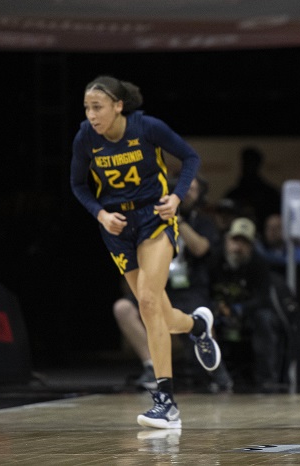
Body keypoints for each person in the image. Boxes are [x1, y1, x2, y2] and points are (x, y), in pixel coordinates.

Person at [70, 76, 220, 429]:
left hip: (155, 216)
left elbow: (190, 156)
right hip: (118, 227)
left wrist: (177, 197)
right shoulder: (85, 137)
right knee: (160, 313)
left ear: (118, 106)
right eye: (87, 108)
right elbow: (78, 184)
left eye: (98, 107)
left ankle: (166, 401)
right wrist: (100, 213)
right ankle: (197, 325)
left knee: (149, 302)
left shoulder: (146, 127)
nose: (91, 115)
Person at [112, 177, 230, 391]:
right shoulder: (150, 215)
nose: (189, 194)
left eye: (194, 189)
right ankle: (151, 366)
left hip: (189, 287)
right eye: (186, 189)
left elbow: (201, 248)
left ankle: (217, 372)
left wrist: (177, 220)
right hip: (156, 283)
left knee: (199, 312)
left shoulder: (202, 220)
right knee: (123, 308)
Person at [211, 217, 287, 393]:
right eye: (235, 240)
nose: (238, 247)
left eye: (244, 242)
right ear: (227, 240)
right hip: (217, 311)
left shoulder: (258, 263)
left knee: (265, 319)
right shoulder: (214, 259)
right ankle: (212, 377)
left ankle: (267, 379)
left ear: (252, 245)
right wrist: (217, 307)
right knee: (201, 319)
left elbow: (264, 298)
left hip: (247, 313)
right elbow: (203, 289)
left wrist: (240, 310)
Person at [224, 147, 281, 232]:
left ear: (257, 165)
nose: (247, 167)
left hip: (262, 238)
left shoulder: (270, 194)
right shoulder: (234, 194)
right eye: (245, 163)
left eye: (251, 163)